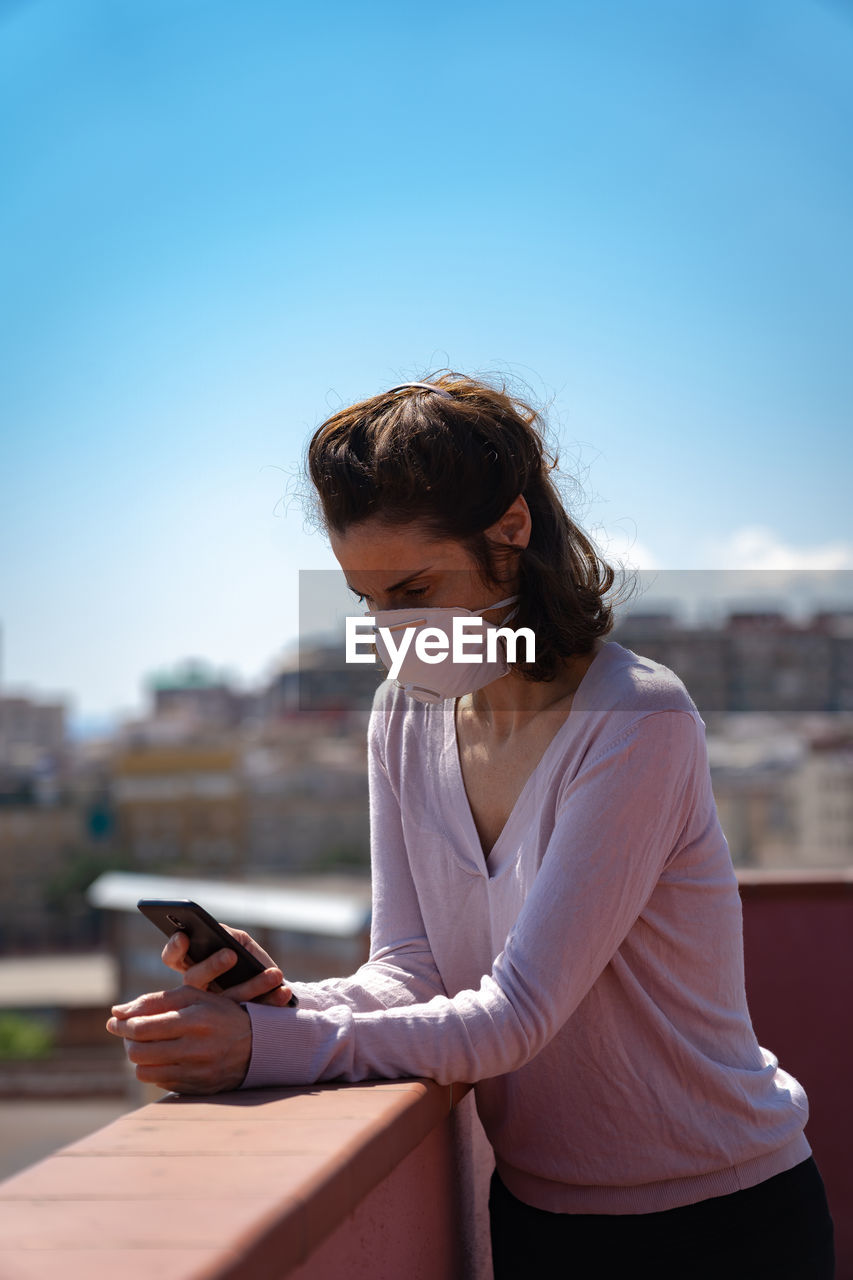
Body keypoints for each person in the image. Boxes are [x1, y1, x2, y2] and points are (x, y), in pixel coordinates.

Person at [107, 372, 836, 1278]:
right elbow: (410, 969)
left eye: (414, 588)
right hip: (536, 1215)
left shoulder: (638, 719)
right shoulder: (400, 715)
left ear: (512, 530)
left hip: (721, 1221)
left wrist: (264, 1049)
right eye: (368, 602)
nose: (394, 631)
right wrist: (289, 1004)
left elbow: (515, 1017)